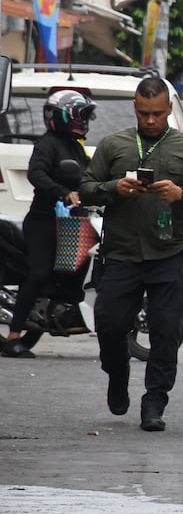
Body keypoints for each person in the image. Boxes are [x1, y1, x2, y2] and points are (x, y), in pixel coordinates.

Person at [79, 77, 183, 431]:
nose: (151, 120)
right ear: (135, 109)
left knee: (165, 331)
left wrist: (181, 195)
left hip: (168, 255)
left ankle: (154, 402)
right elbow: (86, 189)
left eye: (157, 114)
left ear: (169, 109)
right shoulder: (113, 145)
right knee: (109, 326)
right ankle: (117, 372)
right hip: (121, 255)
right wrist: (115, 187)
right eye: (144, 113)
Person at [3, 91, 94, 358]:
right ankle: (13, 336)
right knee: (39, 273)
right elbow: (36, 173)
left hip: (71, 222)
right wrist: (63, 191)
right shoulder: (48, 143)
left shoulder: (75, 145)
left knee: (79, 268)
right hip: (44, 220)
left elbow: (88, 175)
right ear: (66, 115)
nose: (86, 120)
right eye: (82, 114)